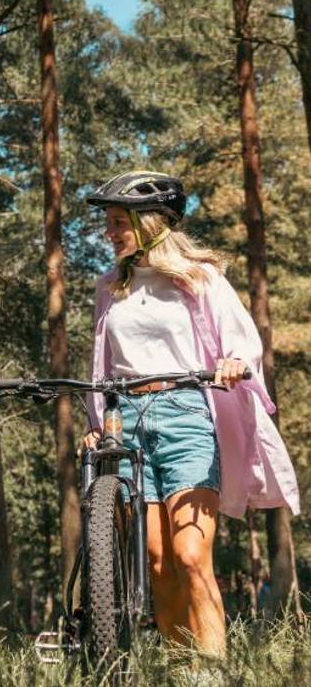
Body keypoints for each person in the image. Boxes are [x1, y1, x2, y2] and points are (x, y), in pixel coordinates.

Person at [85, 171, 299, 656]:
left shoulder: (200, 278)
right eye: (109, 223)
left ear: (151, 223)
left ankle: (213, 668)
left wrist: (235, 362)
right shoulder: (109, 288)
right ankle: (181, 664)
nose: (109, 232)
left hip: (186, 416)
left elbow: (242, 339)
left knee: (190, 552)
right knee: (157, 559)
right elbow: (99, 363)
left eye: (119, 222)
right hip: (127, 418)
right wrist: (95, 424)